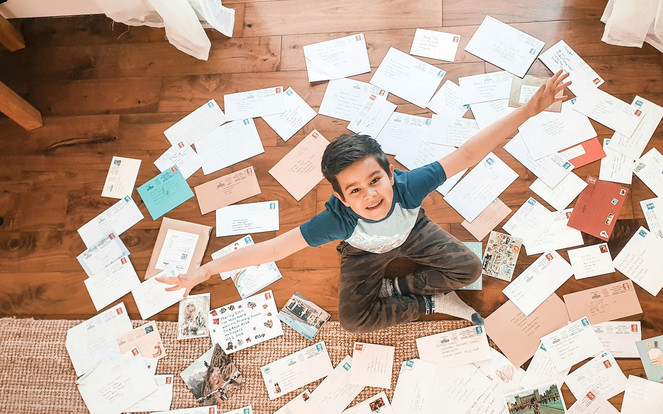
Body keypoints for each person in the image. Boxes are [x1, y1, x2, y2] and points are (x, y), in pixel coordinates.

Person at [158, 70, 571, 333]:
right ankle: (428, 302)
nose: (371, 194)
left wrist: (530, 109)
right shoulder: (337, 222)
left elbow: (466, 153)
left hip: (414, 235)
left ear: (390, 173)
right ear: (340, 197)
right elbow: (273, 249)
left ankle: (399, 285)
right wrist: (204, 271)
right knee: (355, 321)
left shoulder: (407, 187)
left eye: (376, 180)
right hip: (363, 252)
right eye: (355, 190)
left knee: (470, 268)